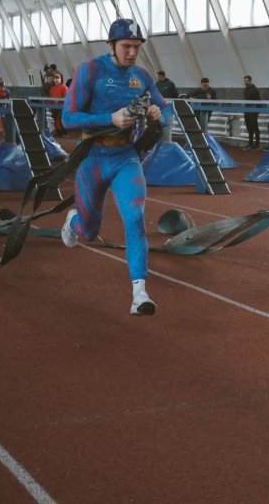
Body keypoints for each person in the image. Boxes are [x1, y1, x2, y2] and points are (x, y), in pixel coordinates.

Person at [59, 19, 173, 316]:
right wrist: (109, 119)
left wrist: (158, 112)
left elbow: (167, 111)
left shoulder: (142, 76)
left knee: (135, 218)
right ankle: (73, 222)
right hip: (92, 159)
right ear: (111, 45)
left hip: (125, 157)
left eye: (137, 47)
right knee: (89, 231)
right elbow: (68, 118)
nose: (132, 53)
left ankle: (140, 294)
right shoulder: (89, 71)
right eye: (126, 46)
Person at [242, 75, 261, 150]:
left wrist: (257, 111)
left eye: (246, 81)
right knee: (249, 127)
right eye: (244, 81)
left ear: (250, 81)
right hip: (247, 110)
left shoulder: (254, 90)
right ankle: (250, 143)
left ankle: (257, 144)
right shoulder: (245, 90)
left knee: (255, 127)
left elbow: (259, 101)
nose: (245, 82)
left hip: (253, 111)